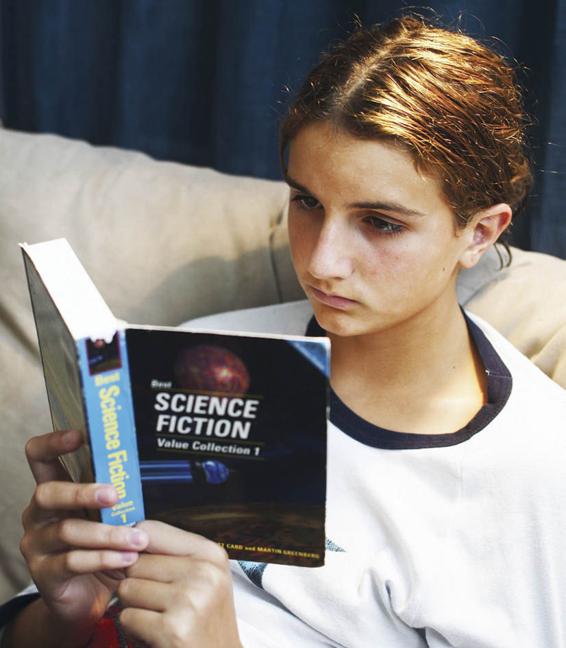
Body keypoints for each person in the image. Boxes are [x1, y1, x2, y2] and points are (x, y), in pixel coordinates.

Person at [2, 14, 566, 648]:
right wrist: (64, 614)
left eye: (379, 223)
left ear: (480, 233)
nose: (322, 262)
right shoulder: (202, 358)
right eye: (307, 202)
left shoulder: (537, 474)